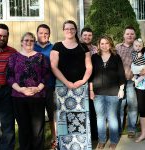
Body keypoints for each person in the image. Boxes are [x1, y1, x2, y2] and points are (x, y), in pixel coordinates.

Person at [50, 20, 92, 149]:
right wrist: (67, 82)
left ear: (76, 30)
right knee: (63, 118)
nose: (69, 30)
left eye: (72, 28)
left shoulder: (83, 47)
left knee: (80, 117)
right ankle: (65, 146)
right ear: (63, 30)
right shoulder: (57, 46)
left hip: (80, 87)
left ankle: (81, 145)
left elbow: (89, 66)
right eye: (67, 28)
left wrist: (83, 81)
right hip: (62, 87)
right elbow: (54, 67)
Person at [7, 32, 49, 150]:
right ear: (21, 42)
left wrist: (37, 88)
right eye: (26, 40)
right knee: (23, 127)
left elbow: (46, 75)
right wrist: (20, 89)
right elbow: (9, 76)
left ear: (34, 42)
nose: (29, 42)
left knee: (37, 128)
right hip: (18, 97)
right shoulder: (14, 57)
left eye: (31, 40)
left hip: (37, 97)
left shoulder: (41, 57)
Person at [89, 36, 126, 149]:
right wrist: (90, 90)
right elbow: (91, 76)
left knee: (112, 117)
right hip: (97, 93)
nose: (104, 45)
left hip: (113, 92)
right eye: (102, 43)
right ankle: (102, 140)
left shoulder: (116, 57)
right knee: (100, 117)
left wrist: (121, 89)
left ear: (110, 44)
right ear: (99, 45)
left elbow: (121, 74)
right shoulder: (94, 57)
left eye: (106, 43)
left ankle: (114, 140)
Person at [34, 24, 57, 148]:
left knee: (53, 115)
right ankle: (39, 142)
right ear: (37, 33)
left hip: (50, 87)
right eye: (41, 33)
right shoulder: (32, 47)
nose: (43, 35)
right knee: (37, 118)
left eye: (46, 33)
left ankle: (55, 140)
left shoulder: (53, 48)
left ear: (49, 34)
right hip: (35, 89)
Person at [116, 26, 138, 138]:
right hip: (119, 82)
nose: (130, 36)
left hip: (132, 82)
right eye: (127, 34)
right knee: (119, 106)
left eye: (132, 34)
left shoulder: (137, 48)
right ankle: (118, 129)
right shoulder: (117, 48)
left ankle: (131, 129)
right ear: (124, 35)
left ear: (135, 35)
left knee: (132, 106)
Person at [80, 27, 98, 141]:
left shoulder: (96, 49)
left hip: (93, 82)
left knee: (92, 109)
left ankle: (94, 135)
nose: (87, 37)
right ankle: (82, 135)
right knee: (81, 109)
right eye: (85, 35)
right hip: (80, 81)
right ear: (81, 36)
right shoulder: (77, 47)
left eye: (89, 35)